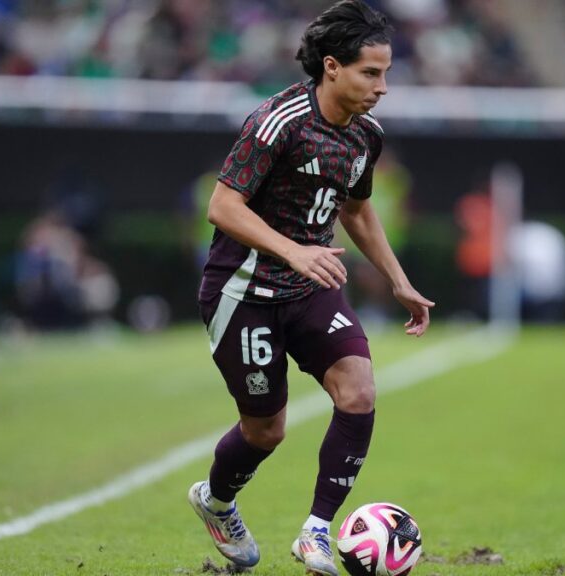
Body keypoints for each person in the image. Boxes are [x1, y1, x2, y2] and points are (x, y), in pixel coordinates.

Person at [187, 2, 434, 575]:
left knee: (359, 391)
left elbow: (357, 211)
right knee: (265, 429)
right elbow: (222, 206)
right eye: (371, 73)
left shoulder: (366, 136)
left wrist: (398, 280)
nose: (383, 87)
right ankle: (217, 501)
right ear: (331, 67)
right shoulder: (278, 122)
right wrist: (295, 249)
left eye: (386, 73)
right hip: (243, 290)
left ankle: (317, 533)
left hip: (310, 288)